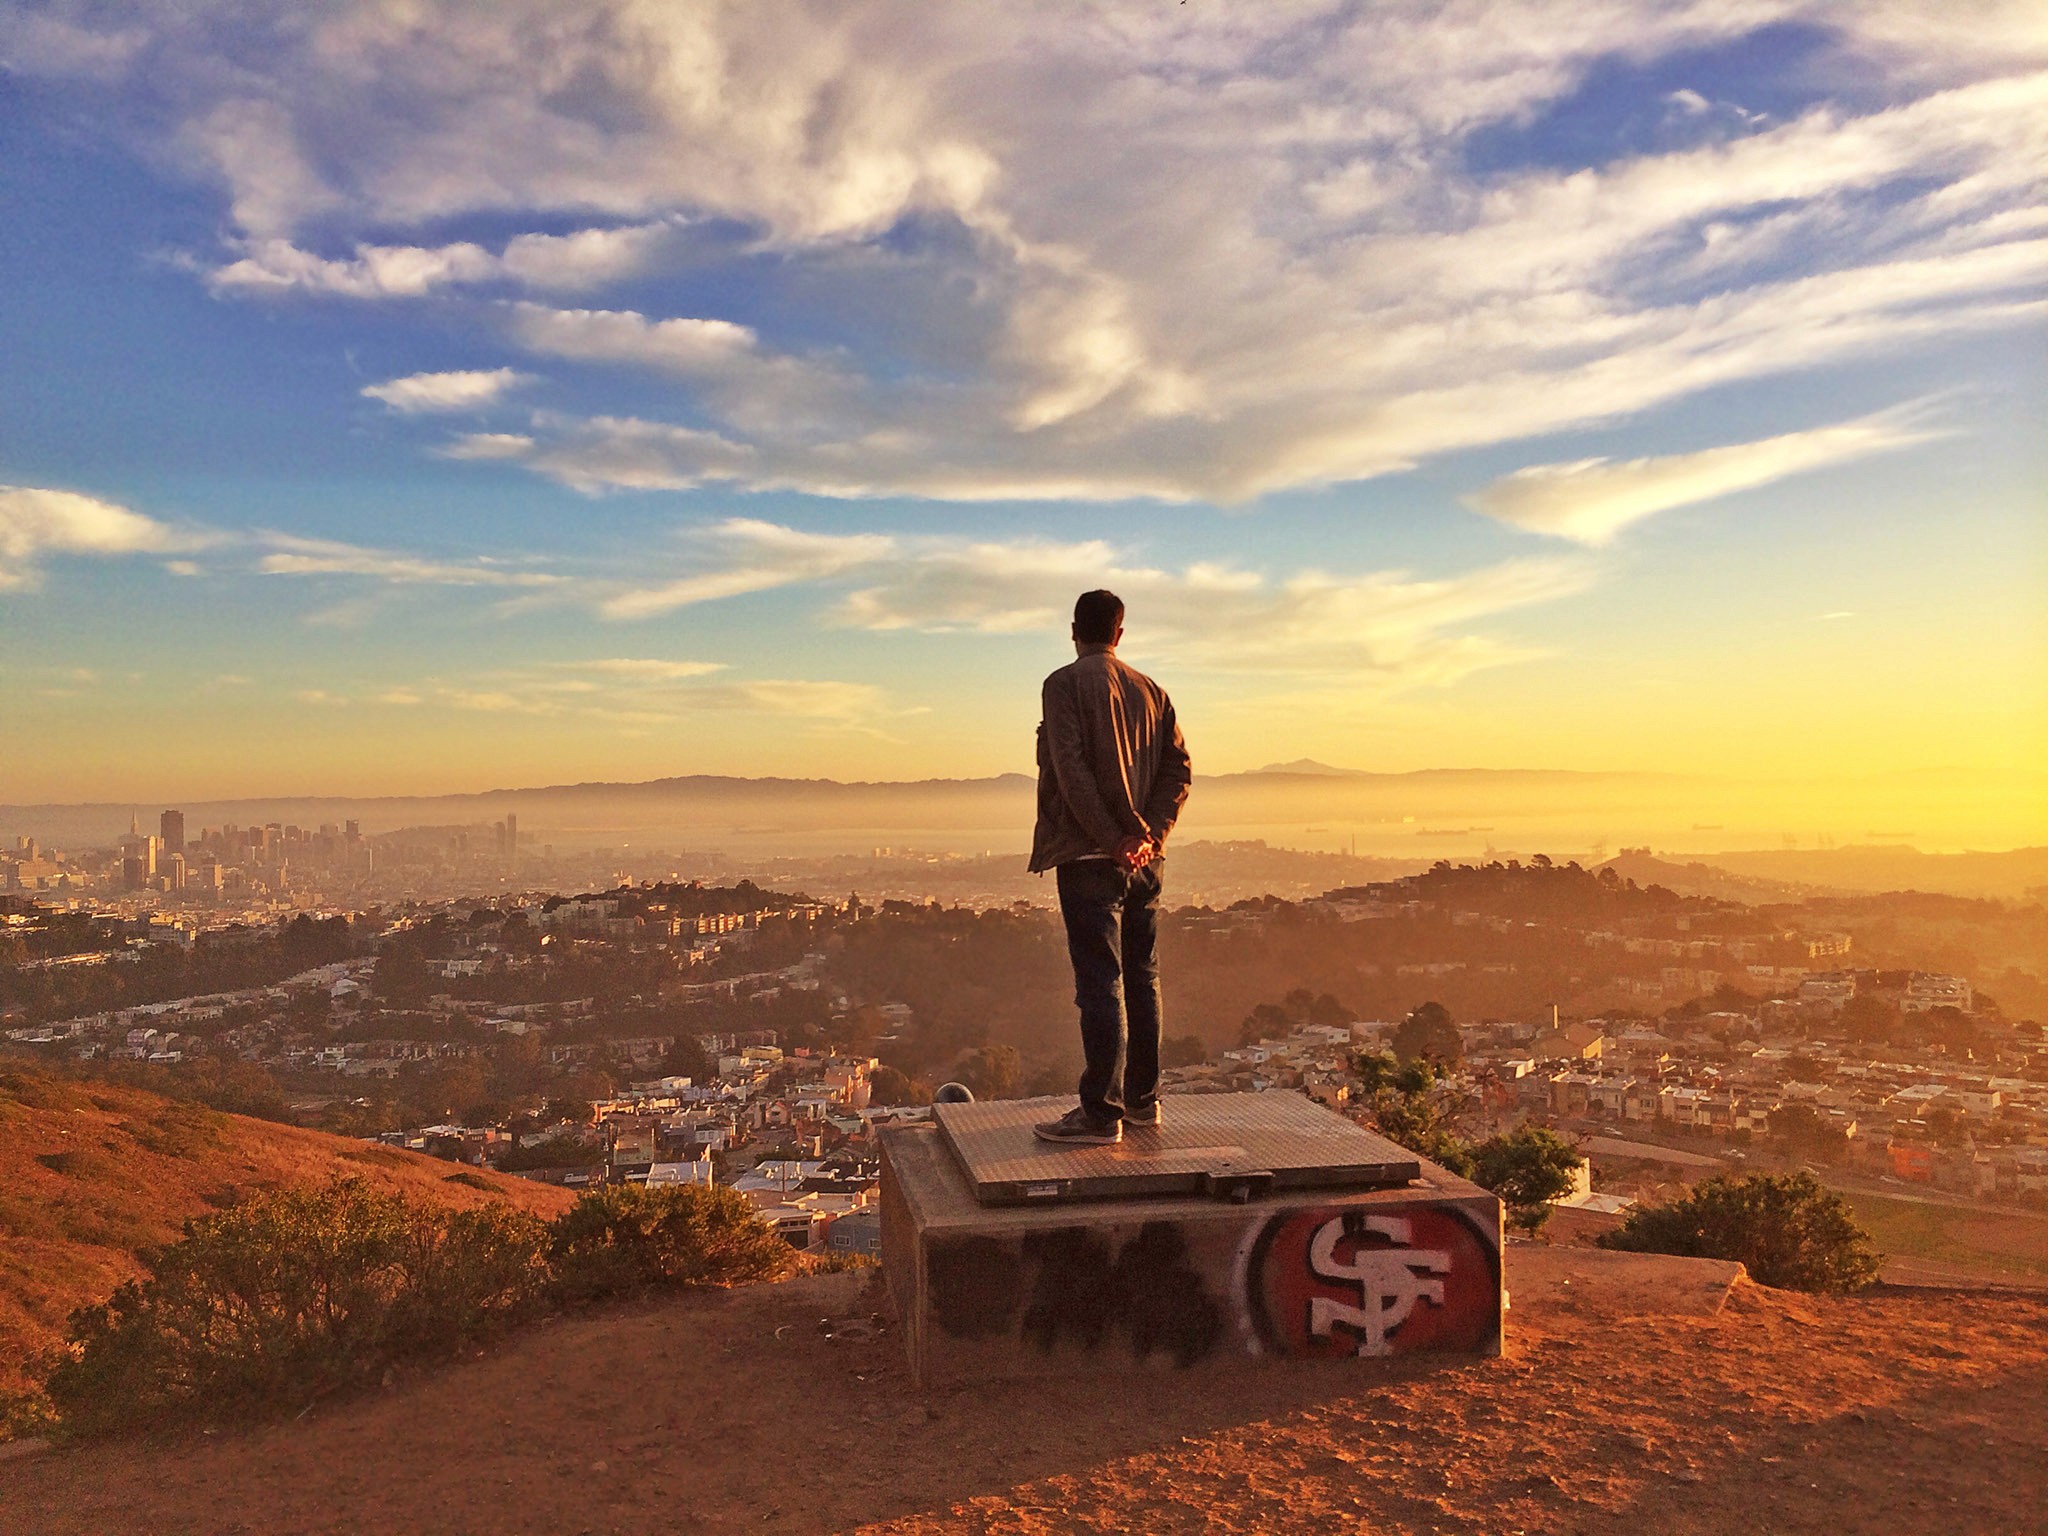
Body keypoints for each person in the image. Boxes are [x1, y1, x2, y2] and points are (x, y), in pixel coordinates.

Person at [1029, 589, 1192, 1145]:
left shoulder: (1063, 685)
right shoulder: (1154, 692)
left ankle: (1101, 1112)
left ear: (1073, 630)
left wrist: (1112, 839)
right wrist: (1150, 835)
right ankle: (1143, 1103)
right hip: (1147, 861)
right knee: (1143, 978)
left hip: (1090, 856)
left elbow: (1070, 771)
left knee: (1101, 984)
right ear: (1120, 634)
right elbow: (1179, 772)